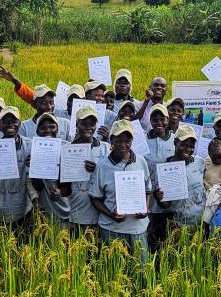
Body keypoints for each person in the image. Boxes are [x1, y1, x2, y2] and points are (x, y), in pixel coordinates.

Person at [89, 120, 160, 263]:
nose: (123, 144)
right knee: (114, 274)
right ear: (111, 141)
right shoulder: (103, 166)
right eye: (118, 140)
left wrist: (145, 207)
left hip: (137, 228)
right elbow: (94, 198)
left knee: (140, 274)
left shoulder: (140, 161)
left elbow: (148, 190)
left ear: (132, 141)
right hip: (111, 228)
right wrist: (111, 215)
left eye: (127, 140)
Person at [0, 106, 35, 231]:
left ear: (20, 123)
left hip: (24, 206)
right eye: (6, 121)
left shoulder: (30, 145)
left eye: (14, 121)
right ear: (0, 125)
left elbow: (34, 179)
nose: (10, 124)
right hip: (1, 206)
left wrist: (34, 166)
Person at [66, 105, 110, 234]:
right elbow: (65, 186)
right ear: (76, 125)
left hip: (101, 211)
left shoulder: (106, 148)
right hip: (76, 210)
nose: (88, 127)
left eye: (92, 124)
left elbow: (113, 176)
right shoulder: (68, 150)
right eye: (84, 123)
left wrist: (97, 170)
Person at [158, 124, 207, 233]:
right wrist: (159, 198)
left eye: (191, 146)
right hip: (178, 226)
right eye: (184, 145)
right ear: (175, 142)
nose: (188, 149)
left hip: (200, 224)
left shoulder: (199, 162)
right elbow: (166, 205)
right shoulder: (166, 169)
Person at [28, 113, 70, 224]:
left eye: (52, 127)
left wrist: (60, 191)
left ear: (57, 129)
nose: (48, 130)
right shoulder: (34, 151)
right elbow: (37, 186)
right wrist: (34, 167)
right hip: (44, 209)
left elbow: (71, 186)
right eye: (43, 128)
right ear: (37, 132)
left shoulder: (67, 150)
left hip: (66, 209)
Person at [144, 104, 175, 250]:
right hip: (148, 203)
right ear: (150, 120)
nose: (159, 122)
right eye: (155, 119)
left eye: (162, 119)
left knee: (168, 242)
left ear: (167, 120)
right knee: (149, 240)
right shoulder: (142, 141)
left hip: (170, 203)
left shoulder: (176, 141)